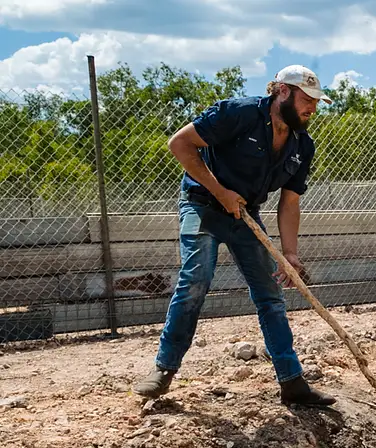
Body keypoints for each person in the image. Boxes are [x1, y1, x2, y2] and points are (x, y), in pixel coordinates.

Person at [133, 65, 336, 407]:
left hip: (246, 214)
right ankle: (163, 370)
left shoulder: (303, 144)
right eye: (307, 100)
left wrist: (290, 254)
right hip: (202, 205)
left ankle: (292, 382)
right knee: (195, 279)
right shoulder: (237, 113)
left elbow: (290, 201)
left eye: (316, 102)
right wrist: (220, 190)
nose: (312, 109)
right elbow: (180, 144)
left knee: (270, 294)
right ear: (282, 92)